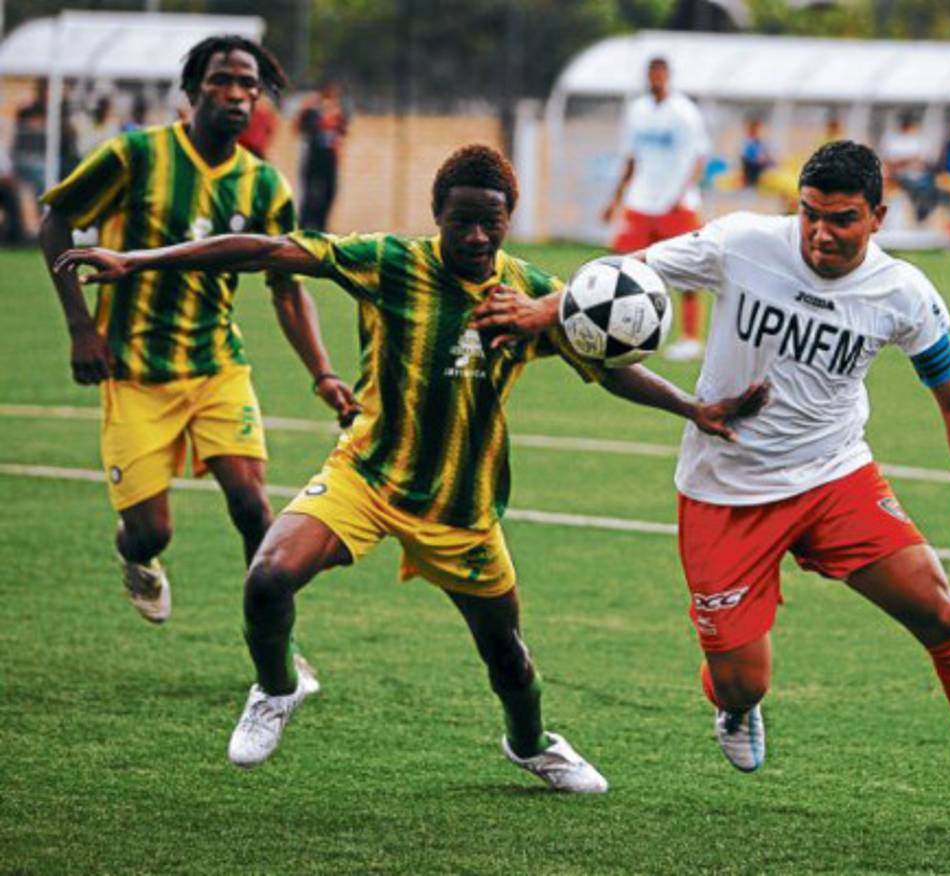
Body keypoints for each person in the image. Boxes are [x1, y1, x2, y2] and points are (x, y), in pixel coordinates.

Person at [55, 144, 767, 791]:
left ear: (508, 220)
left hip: (463, 507)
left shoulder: (532, 296)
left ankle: (530, 744)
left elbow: (608, 368)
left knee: (510, 662)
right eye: (462, 222)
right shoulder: (390, 261)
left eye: (491, 223)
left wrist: (692, 409)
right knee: (268, 577)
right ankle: (277, 687)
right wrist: (140, 262)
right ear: (438, 218)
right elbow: (271, 248)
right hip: (368, 476)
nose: (477, 237)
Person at [481, 141, 950, 846]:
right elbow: (628, 275)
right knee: (744, 681)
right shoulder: (743, 242)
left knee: (942, 615)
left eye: (844, 220)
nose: (822, 234)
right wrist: (544, 310)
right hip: (724, 488)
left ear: (879, 217)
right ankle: (733, 705)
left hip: (835, 477)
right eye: (811, 215)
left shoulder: (904, 294)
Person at [39, 36, 356, 626]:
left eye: (249, 86)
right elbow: (57, 219)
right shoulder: (134, 157)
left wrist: (325, 375)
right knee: (151, 531)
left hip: (216, 367)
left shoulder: (266, 188)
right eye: (222, 81)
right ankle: (135, 554)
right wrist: (81, 328)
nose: (236, 95)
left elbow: (286, 290)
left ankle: (274, 651)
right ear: (192, 90)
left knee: (253, 506)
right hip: (132, 370)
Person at [602, 57, 710, 362]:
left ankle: (690, 337)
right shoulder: (637, 111)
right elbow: (631, 158)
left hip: (676, 202)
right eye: (652, 74)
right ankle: (620, 327)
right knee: (621, 266)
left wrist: (683, 190)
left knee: (689, 270)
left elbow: (699, 157)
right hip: (641, 200)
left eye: (661, 74)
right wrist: (615, 199)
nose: (656, 79)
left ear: (668, 76)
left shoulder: (684, 112)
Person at [297, 82, 348, 231]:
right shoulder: (312, 110)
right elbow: (303, 128)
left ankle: (321, 225)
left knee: (330, 192)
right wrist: (323, 120)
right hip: (314, 156)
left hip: (330, 157)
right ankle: (305, 225)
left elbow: (343, 131)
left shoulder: (338, 111)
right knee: (311, 194)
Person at [879, 112, 937, 223]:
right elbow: (888, 163)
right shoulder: (891, 139)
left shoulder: (920, 139)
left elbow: (926, 162)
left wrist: (908, 161)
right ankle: (919, 213)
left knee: (932, 188)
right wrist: (908, 161)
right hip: (899, 177)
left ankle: (923, 215)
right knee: (915, 186)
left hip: (920, 177)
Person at [739, 116, 773, 188]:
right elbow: (746, 157)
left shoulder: (759, 142)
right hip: (752, 170)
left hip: (757, 167)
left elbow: (765, 154)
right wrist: (761, 159)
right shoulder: (748, 142)